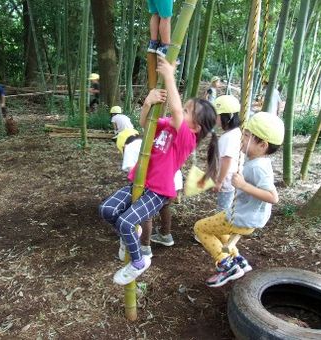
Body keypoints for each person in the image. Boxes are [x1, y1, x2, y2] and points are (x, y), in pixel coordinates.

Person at [99, 57, 219, 285]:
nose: (179, 112)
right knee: (106, 209)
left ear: (195, 127)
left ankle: (138, 262)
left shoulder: (186, 137)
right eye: (182, 109)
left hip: (157, 191)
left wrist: (169, 76)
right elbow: (146, 124)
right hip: (140, 182)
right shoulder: (168, 126)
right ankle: (130, 238)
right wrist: (147, 103)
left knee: (125, 222)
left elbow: (174, 109)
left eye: (186, 111)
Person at [194, 111, 284, 288]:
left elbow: (273, 197)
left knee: (200, 228)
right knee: (219, 231)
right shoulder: (259, 161)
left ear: (262, 145)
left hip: (242, 217)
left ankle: (226, 266)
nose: (242, 138)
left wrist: (243, 186)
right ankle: (239, 261)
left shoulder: (259, 167)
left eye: (248, 136)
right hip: (246, 216)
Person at [114, 128, 183, 259]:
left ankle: (144, 247)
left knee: (145, 213)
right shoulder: (150, 140)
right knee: (164, 206)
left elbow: (133, 174)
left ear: (123, 145)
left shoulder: (130, 147)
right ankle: (165, 235)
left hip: (158, 181)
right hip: (173, 180)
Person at [213, 95, 242, 212]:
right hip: (233, 179)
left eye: (217, 115)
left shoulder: (227, 138)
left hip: (227, 181)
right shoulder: (237, 132)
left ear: (227, 117)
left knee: (223, 210)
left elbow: (227, 161)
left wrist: (219, 181)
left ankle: (222, 228)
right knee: (229, 207)